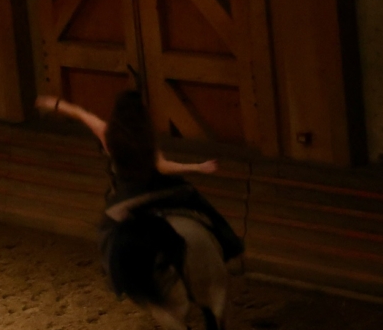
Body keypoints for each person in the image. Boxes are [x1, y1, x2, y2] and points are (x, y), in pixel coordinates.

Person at [37, 81, 244, 268]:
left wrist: (55, 104)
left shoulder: (106, 131)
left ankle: (112, 272)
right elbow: (162, 167)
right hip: (158, 188)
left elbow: (79, 114)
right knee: (198, 202)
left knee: (106, 229)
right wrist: (198, 167)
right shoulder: (145, 136)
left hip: (127, 195)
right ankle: (231, 246)